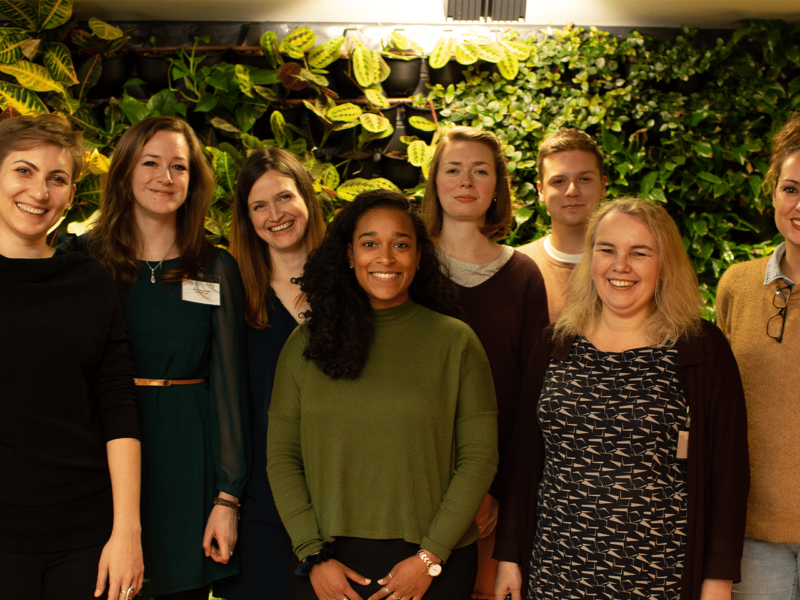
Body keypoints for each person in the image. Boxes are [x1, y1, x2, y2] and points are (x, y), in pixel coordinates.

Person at [494, 198, 749, 600]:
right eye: (607, 249)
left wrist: (717, 580)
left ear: (664, 264)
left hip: (659, 575)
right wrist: (508, 556)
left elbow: (728, 474)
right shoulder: (555, 344)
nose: (620, 266)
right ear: (590, 257)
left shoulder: (699, 349)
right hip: (556, 570)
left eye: (640, 253)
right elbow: (525, 459)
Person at [267, 190, 498, 600]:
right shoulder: (305, 344)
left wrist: (430, 558)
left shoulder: (456, 343)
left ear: (419, 256)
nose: (386, 258)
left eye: (401, 244)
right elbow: (282, 458)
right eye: (370, 243)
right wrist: (312, 554)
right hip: (326, 565)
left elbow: (479, 459)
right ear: (350, 255)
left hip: (433, 565)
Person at [74, 116, 249, 599]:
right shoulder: (84, 259)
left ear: (194, 181)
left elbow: (229, 385)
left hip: (188, 462)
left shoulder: (213, 267)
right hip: (101, 456)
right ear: (126, 170)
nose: (165, 178)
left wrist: (227, 497)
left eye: (179, 167)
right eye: (151, 163)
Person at [0, 115, 143, 600]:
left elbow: (118, 405)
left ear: (71, 193)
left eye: (56, 179)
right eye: (23, 171)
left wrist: (127, 533)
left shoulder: (90, 281)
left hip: (85, 535)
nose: (39, 192)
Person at [421, 126, 548, 600]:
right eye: (453, 170)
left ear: (498, 187)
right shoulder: (406, 268)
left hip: (497, 491)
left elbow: (532, 397)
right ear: (435, 182)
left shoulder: (522, 275)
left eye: (481, 171)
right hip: (416, 482)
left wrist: (495, 488)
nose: (466, 181)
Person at [214, 148, 326, 600]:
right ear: (246, 218)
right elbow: (224, 403)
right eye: (259, 206)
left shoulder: (355, 285)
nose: (275, 215)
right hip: (261, 503)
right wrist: (226, 500)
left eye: (284, 198)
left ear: (307, 200)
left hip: (342, 502)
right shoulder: (235, 294)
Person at [716, 113, 800, 599]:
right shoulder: (737, 285)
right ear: (772, 192)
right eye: (790, 188)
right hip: (751, 537)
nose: (799, 203)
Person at [518, 128, 607, 322]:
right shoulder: (516, 268)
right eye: (559, 181)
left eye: (584, 179)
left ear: (603, 186)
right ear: (540, 191)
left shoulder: (631, 265)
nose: (572, 191)